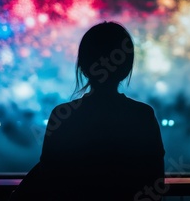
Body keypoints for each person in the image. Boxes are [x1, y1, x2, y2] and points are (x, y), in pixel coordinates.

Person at [10, 21, 165, 200]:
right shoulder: (142, 116)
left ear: (83, 67)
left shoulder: (63, 116)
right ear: (126, 67)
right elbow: (155, 182)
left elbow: (49, 175)